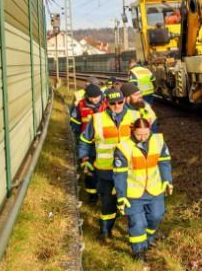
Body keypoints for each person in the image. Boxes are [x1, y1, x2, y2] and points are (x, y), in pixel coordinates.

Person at [78, 89, 141, 242]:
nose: (117, 106)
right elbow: (85, 141)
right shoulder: (97, 119)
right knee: (108, 204)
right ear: (107, 103)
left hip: (130, 170)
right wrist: (84, 158)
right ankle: (105, 231)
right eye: (113, 103)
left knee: (134, 204)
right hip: (106, 171)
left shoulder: (135, 116)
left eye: (120, 102)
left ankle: (137, 237)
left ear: (124, 100)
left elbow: (146, 138)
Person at [112, 117, 172, 262]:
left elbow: (164, 162)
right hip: (134, 194)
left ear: (150, 129)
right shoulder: (123, 147)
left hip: (154, 189)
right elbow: (120, 174)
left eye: (146, 134)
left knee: (156, 216)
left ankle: (150, 237)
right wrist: (121, 195)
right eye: (139, 134)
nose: (143, 137)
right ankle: (139, 250)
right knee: (137, 223)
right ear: (133, 130)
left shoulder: (158, 141)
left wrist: (166, 180)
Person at [70, 84, 106, 203]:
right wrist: (78, 143)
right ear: (87, 97)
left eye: (97, 97)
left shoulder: (107, 103)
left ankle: (105, 193)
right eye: (92, 98)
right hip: (87, 142)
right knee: (89, 171)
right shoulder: (80, 105)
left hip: (104, 142)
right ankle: (92, 195)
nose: (95, 100)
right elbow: (75, 124)